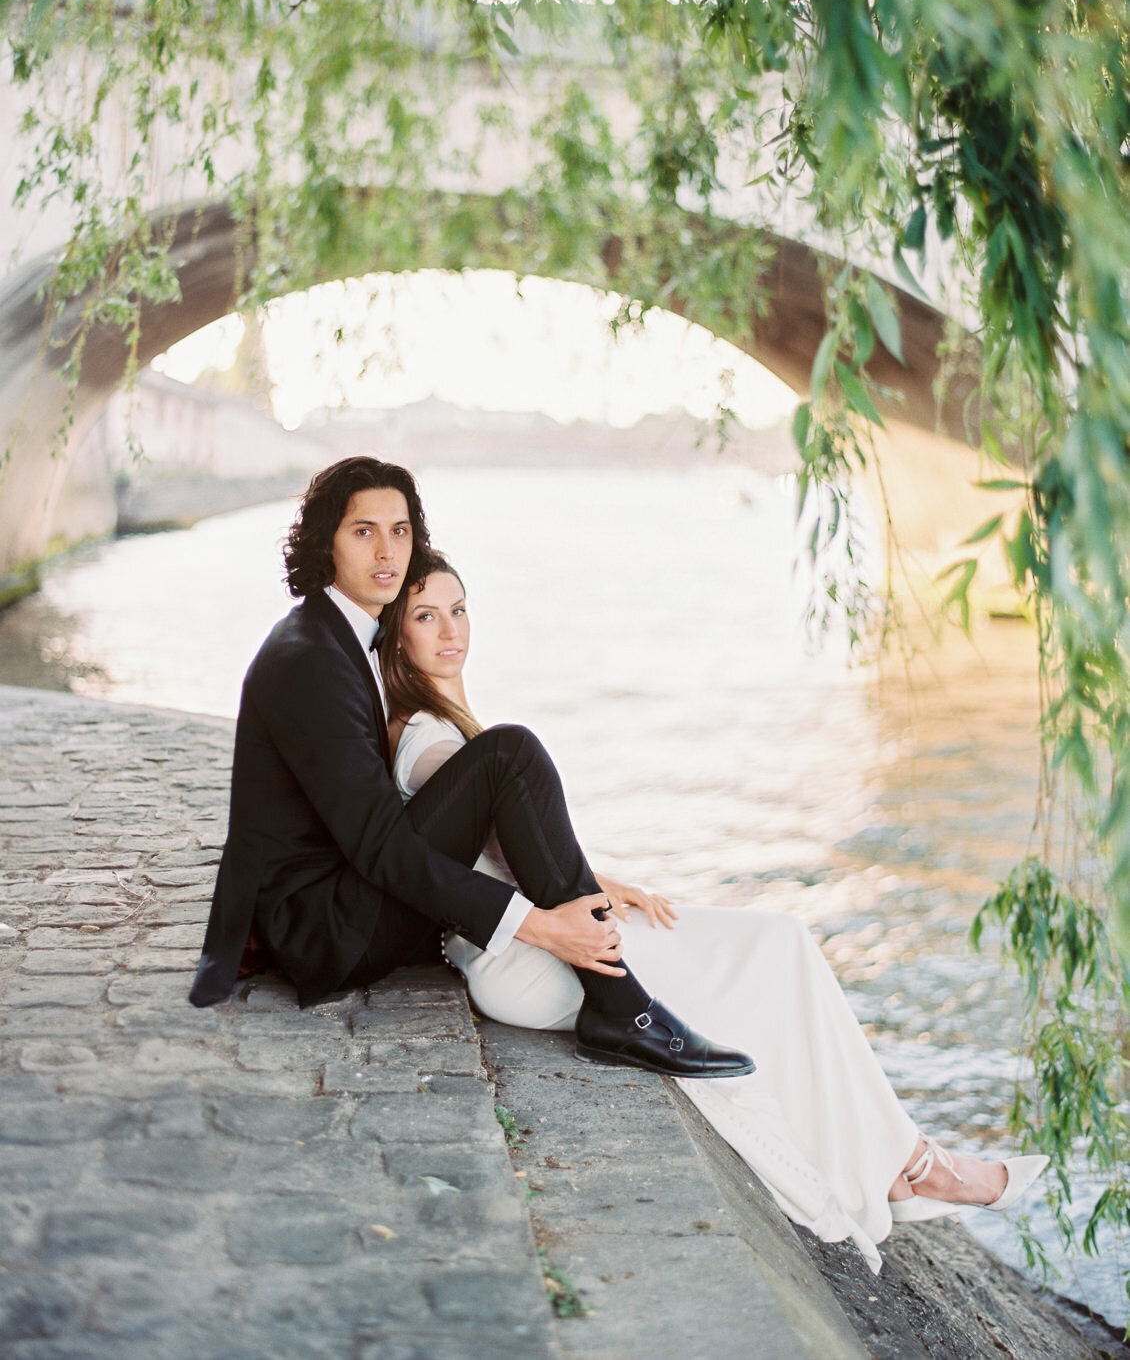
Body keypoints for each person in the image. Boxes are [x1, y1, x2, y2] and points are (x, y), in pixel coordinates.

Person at [382, 549, 1050, 1273]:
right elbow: (489, 824)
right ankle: (914, 1168)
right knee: (775, 951)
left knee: (778, 949)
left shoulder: (443, 724)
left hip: (546, 933)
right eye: (426, 616)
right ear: (397, 638)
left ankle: (901, 1162)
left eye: (459, 608)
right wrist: (592, 889)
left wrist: (603, 881)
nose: (451, 630)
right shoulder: (428, 740)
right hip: (529, 957)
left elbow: (505, 838)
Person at [189, 455, 751, 1081]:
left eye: (399, 531)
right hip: (329, 931)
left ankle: (616, 994)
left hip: (338, 904)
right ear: (326, 542)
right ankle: (621, 1008)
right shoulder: (312, 657)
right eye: (363, 530)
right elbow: (380, 846)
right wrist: (536, 926)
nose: (385, 551)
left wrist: (581, 881)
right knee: (508, 754)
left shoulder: (339, 636)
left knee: (507, 760)